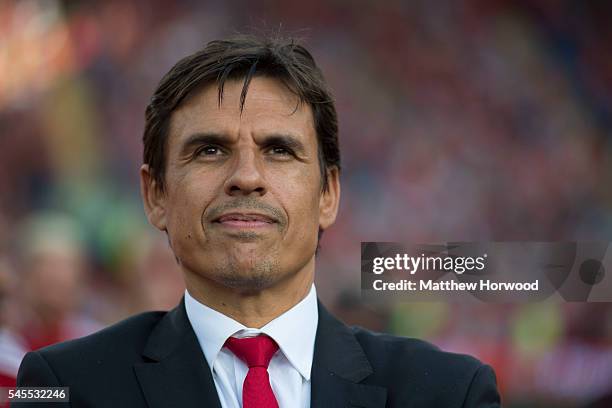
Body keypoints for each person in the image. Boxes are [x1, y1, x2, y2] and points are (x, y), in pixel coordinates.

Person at [15, 35, 501, 407]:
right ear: (155, 194)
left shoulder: (451, 392)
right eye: (210, 150)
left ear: (328, 194)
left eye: (279, 150)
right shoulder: (60, 387)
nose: (247, 177)